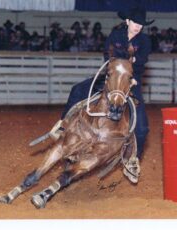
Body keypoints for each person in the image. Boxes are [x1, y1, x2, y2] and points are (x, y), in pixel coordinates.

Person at [50, 6, 154, 182]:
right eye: (136, 23)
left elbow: (140, 63)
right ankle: (63, 124)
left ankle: (132, 161)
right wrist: (125, 62)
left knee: (142, 128)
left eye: (141, 24)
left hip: (130, 81)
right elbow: (108, 57)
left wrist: (131, 72)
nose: (138, 27)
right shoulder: (115, 36)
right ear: (127, 21)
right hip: (110, 77)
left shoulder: (144, 41)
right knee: (77, 90)